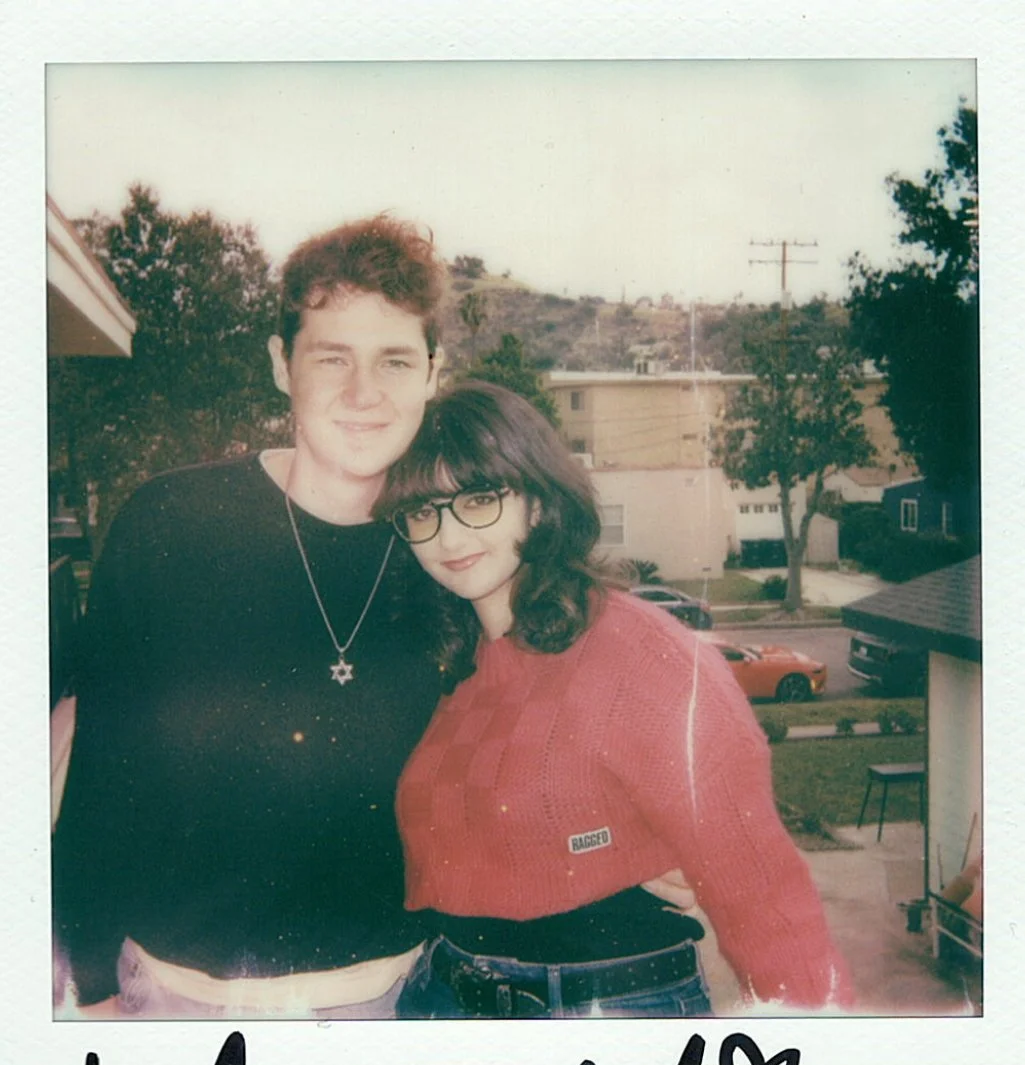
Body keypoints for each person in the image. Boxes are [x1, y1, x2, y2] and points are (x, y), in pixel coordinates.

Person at [51, 215, 448, 1019]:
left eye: (394, 360)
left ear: (433, 373)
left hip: (397, 998)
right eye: (330, 356)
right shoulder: (172, 523)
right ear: (281, 364)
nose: (362, 393)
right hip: (177, 1001)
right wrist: (89, 984)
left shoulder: (451, 553)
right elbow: (103, 770)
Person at [375, 381, 855, 1018]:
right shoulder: (448, 663)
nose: (448, 534)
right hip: (445, 995)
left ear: (539, 504)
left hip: (605, 1009)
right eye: (423, 512)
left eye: (480, 499)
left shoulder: (642, 654)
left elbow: (759, 883)